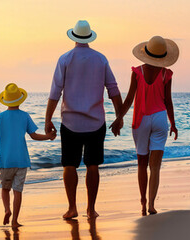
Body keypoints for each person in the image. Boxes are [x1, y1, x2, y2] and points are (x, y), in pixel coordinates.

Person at [45, 20, 124, 219]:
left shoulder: (65, 59)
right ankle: (90, 209)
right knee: (93, 165)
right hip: (96, 122)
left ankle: (72, 207)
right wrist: (119, 116)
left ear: (73, 37)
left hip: (70, 122)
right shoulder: (100, 59)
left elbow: (55, 92)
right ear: (89, 37)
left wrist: (48, 119)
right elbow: (113, 90)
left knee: (69, 165)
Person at [110, 35, 180, 216]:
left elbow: (129, 99)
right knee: (155, 167)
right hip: (159, 119)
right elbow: (168, 101)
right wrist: (173, 123)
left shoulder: (137, 72)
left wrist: (118, 118)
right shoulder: (166, 74)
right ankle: (151, 205)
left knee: (142, 164)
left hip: (140, 120)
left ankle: (142, 203)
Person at [0, 83, 57, 228]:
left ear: (6, 100)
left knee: (5, 189)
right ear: (20, 100)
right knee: (18, 191)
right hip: (21, 160)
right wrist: (48, 136)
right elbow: (34, 135)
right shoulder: (25, 116)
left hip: (6, 161)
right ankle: (15, 221)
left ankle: (7, 210)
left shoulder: (0, 117)